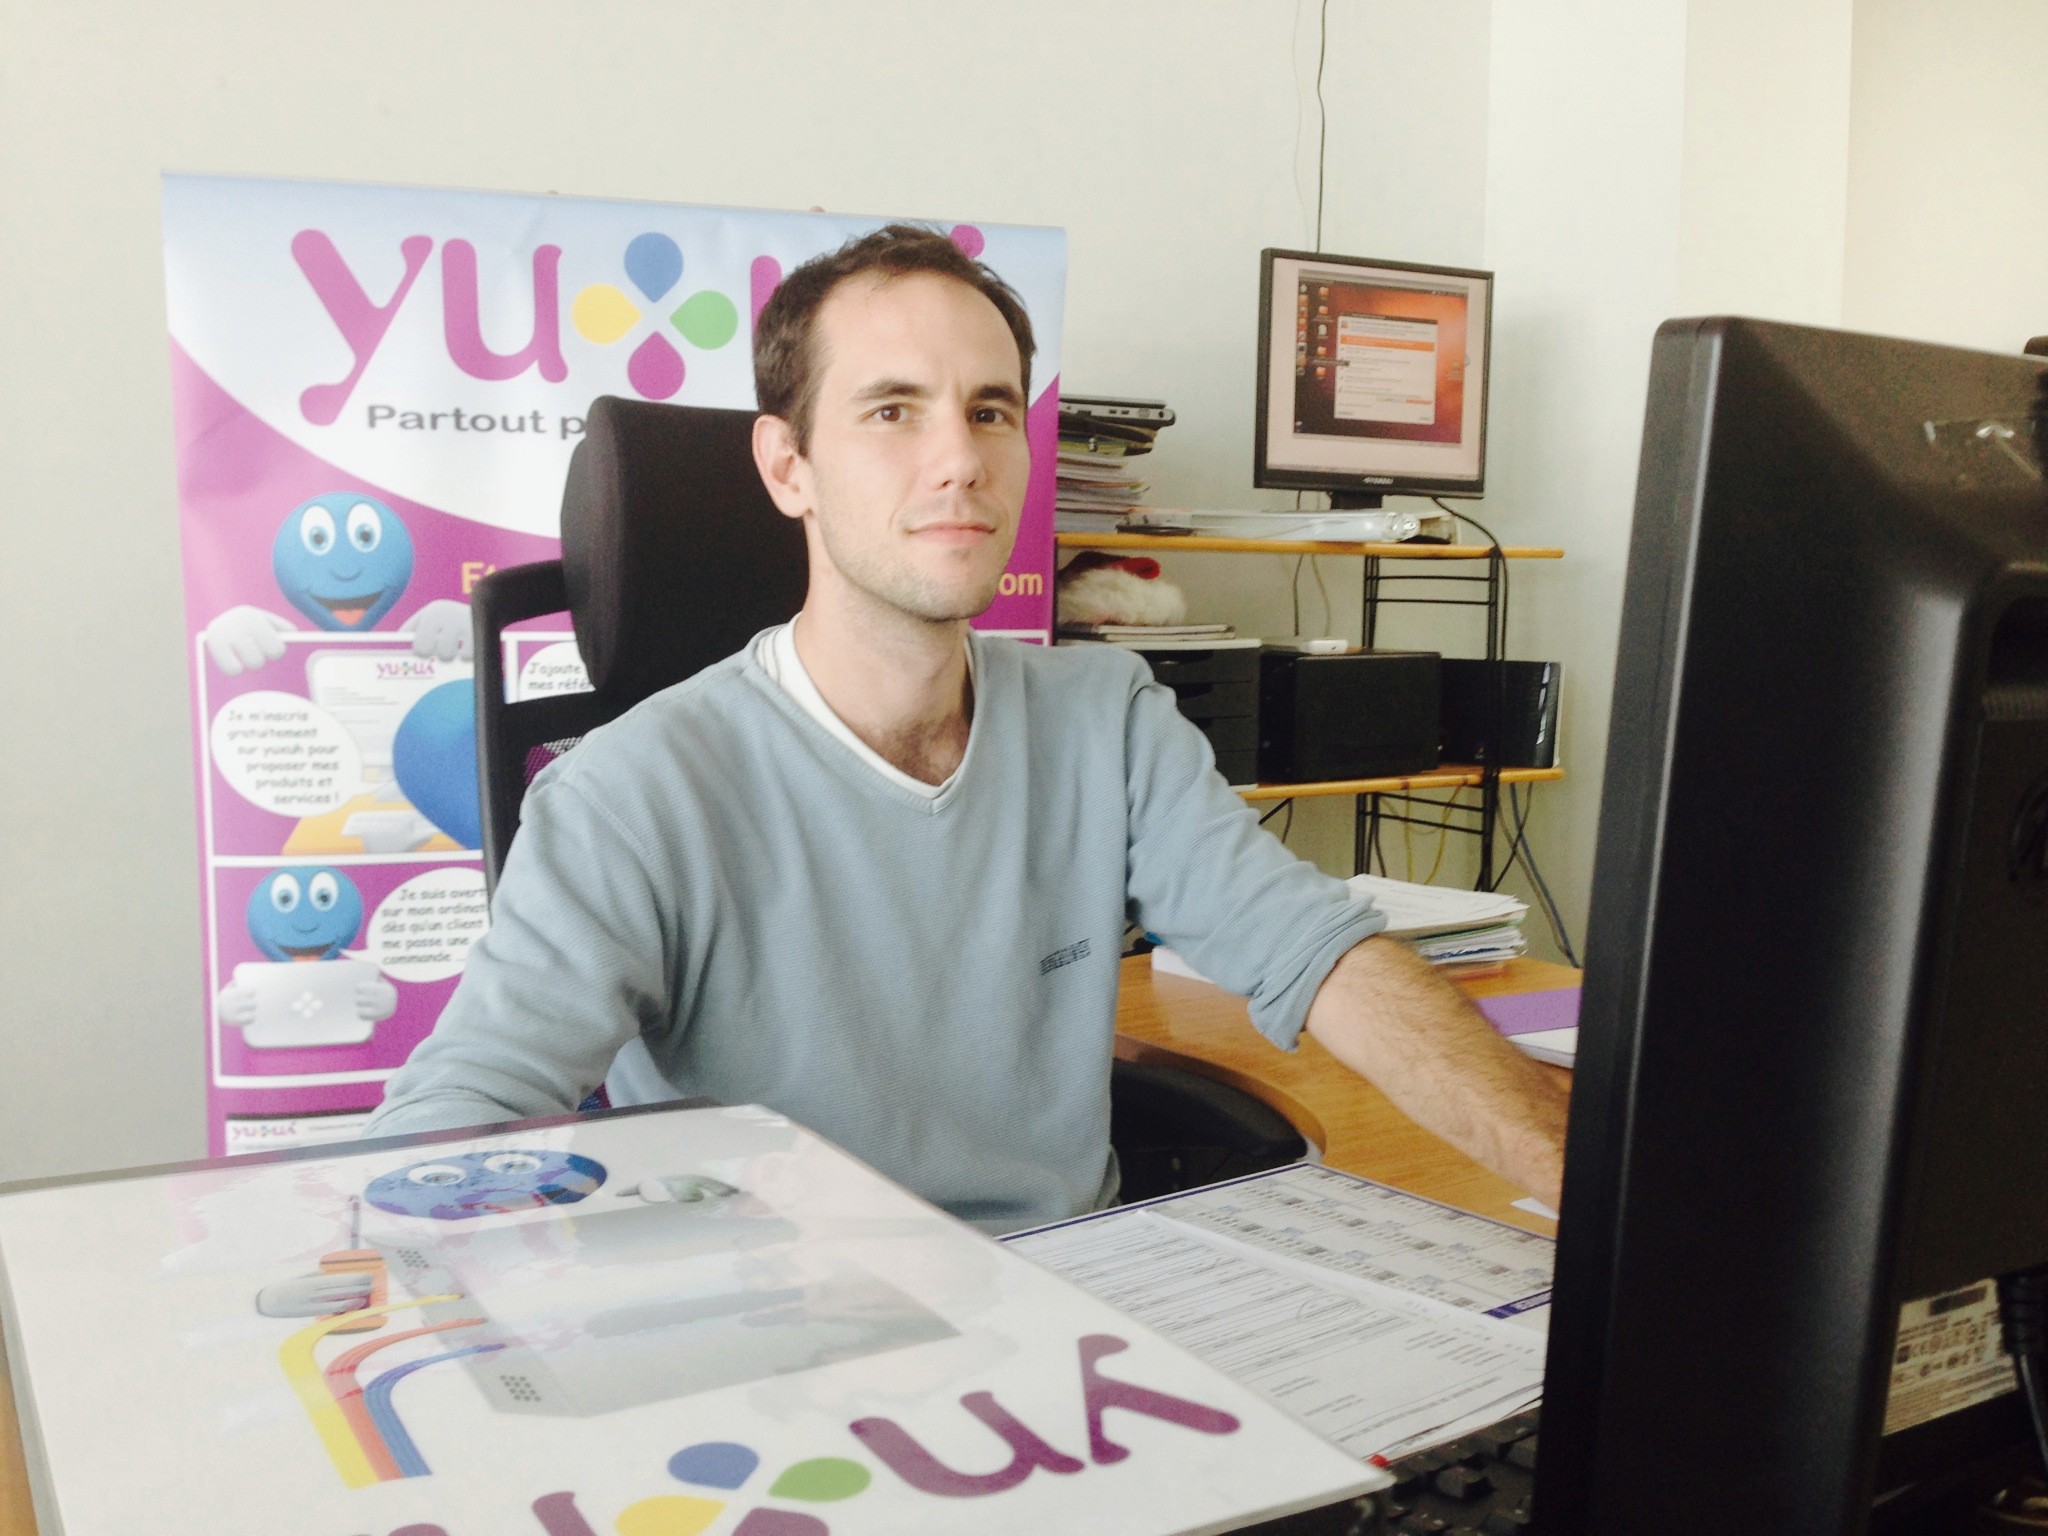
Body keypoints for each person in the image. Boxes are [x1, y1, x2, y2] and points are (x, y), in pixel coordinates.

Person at [364, 224, 1567, 1231]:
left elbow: (1315, 953)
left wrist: (1582, 1176)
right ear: (787, 467)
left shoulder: (1105, 718)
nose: (960, 460)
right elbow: (468, 1105)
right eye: (892, 410)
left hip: (1074, 1312)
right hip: (784, 1341)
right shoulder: (633, 792)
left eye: (990, 412)